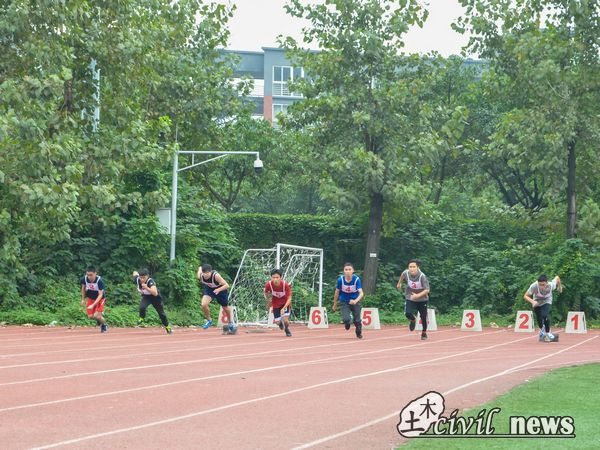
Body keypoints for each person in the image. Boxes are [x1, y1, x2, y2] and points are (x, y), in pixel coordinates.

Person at [197, 264, 236, 334]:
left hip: (221, 290)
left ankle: (230, 322)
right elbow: (199, 270)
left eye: (207, 273)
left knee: (225, 307)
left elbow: (227, 285)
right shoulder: (200, 276)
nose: (206, 275)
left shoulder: (216, 276)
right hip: (210, 290)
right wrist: (200, 268)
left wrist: (218, 290)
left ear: (211, 272)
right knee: (203, 304)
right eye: (204, 273)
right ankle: (209, 320)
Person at [397, 259, 430, 340]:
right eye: (410, 267)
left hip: (422, 299)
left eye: (413, 267)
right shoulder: (406, 273)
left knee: (423, 317)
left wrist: (417, 295)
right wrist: (399, 283)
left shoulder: (422, 276)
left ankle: (424, 332)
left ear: (417, 268)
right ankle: (413, 320)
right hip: (410, 296)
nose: (411, 269)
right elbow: (402, 275)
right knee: (407, 313)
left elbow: (427, 290)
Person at [524, 274, 562, 341]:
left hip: (547, 301)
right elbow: (525, 296)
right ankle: (542, 330)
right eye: (540, 285)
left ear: (547, 283)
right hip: (537, 301)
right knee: (539, 319)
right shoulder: (534, 286)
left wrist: (559, 286)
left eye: (543, 285)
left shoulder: (551, 285)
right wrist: (532, 301)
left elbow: (557, 277)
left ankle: (548, 332)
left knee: (544, 315)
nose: (541, 287)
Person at [133, 268, 172, 334]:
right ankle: (141, 318)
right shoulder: (137, 279)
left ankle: (167, 326)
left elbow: (155, 293)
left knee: (161, 313)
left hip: (155, 298)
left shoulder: (150, 281)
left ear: (147, 276)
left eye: (144, 278)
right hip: (147, 297)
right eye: (141, 277)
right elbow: (134, 273)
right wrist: (136, 274)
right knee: (142, 307)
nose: (142, 279)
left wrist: (147, 287)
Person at [333, 262, 364, 339]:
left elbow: (361, 293)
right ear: (344, 271)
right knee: (346, 319)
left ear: (353, 271)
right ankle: (347, 322)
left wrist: (355, 301)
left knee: (357, 320)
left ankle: (358, 333)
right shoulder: (340, 280)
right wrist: (335, 304)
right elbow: (337, 292)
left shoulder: (356, 279)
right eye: (346, 270)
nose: (348, 271)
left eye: (349, 269)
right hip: (344, 301)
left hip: (355, 301)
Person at [264, 268, 292, 337]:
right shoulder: (268, 284)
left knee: (285, 320)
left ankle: (287, 329)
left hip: (285, 304)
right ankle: (280, 324)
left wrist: (284, 308)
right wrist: (268, 301)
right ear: (271, 277)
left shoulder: (285, 285)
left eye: (277, 277)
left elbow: (289, 299)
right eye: (273, 277)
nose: (275, 279)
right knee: (277, 322)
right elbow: (266, 293)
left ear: (280, 277)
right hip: (276, 304)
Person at [80, 266, 107, 333]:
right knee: (90, 316)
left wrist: (93, 305)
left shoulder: (99, 281)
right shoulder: (84, 279)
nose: (89, 277)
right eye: (88, 275)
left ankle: (104, 325)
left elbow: (100, 295)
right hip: (91, 298)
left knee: (97, 316)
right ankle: (99, 319)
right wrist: (83, 299)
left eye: (91, 275)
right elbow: (83, 289)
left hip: (100, 299)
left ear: (95, 273)